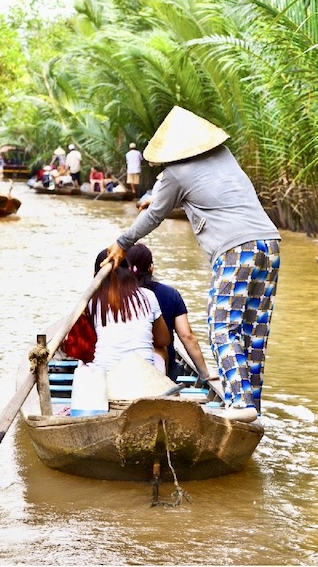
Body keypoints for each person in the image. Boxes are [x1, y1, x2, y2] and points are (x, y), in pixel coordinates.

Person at [104, 106, 281, 423]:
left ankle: (239, 403)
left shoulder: (174, 174)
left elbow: (155, 215)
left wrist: (122, 242)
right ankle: (251, 403)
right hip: (269, 243)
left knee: (221, 326)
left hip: (235, 249)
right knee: (253, 330)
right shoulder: (224, 155)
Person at [126, 243, 215, 383]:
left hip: (122, 365)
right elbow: (187, 336)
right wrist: (204, 373)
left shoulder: (116, 295)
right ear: (151, 267)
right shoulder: (170, 294)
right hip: (164, 370)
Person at [89, 249, 170, 374]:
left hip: (106, 372)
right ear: (130, 271)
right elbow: (163, 340)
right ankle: (162, 386)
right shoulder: (148, 295)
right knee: (161, 350)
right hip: (143, 373)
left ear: (96, 275)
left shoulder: (92, 302)